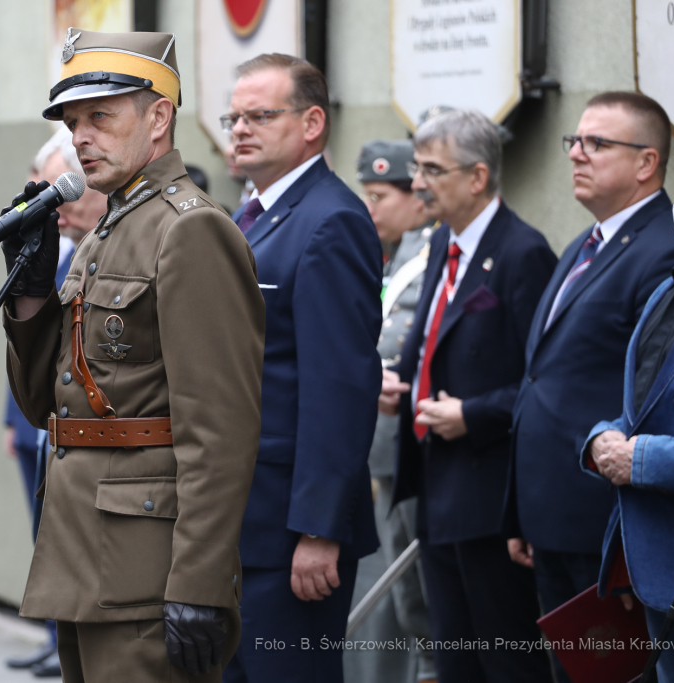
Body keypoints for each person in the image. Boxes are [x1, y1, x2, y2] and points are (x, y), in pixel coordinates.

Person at [1, 29, 265, 683]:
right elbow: (48, 408)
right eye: (72, 121)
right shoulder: (105, 231)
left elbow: (220, 431)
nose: (80, 136)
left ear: (158, 116)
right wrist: (30, 298)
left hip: (146, 574)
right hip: (83, 559)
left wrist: (199, 581)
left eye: (99, 116)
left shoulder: (190, 228)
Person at [502, 92, 674, 683]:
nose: (577, 154)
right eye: (575, 142)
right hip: (553, 515)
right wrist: (522, 511)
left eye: (597, 144)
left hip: (605, 525)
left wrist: (626, 544)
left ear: (646, 163)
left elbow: (654, 397)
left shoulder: (666, 249)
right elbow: (544, 379)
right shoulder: (587, 244)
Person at [222, 54, 382, 683]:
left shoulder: (330, 220)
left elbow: (339, 386)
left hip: (288, 532)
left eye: (259, 115)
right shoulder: (253, 214)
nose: (239, 128)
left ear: (312, 122)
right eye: (233, 116)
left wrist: (318, 531)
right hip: (238, 522)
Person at [383, 109, 557, 683]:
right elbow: (432, 343)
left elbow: (544, 383)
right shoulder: (439, 245)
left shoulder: (522, 252)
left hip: (490, 499)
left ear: (477, 177)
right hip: (434, 489)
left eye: (433, 169)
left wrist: (474, 413)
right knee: (454, 659)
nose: (418, 183)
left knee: (506, 662)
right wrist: (400, 389)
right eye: (418, 168)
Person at [582, 130, 674, 682]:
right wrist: (601, 437)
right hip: (654, 568)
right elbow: (642, 407)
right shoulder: (671, 287)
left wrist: (643, 460)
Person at [4, 127, 110, 678]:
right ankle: (54, 635)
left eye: (60, 190)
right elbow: (33, 352)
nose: (54, 206)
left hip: (102, 454)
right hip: (44, 429)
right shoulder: (62, 249)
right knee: (45, 539)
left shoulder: (109, 248)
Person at [347, 138, 437, 683]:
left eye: (380, 195)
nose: (370, 208)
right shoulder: (394, 254)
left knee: (422, 603)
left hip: (411, 447)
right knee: (401, 600)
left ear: (417, 197)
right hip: (379, 449)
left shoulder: (427, 254)